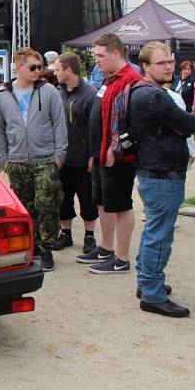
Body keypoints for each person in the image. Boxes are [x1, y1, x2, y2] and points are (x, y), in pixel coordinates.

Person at [127, 42, 195, 317]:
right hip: (161, 173)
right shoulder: (154, 96)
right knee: (160, 235)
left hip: (154, 170)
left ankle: (147, 284)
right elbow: (191, 125)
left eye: (170, 61)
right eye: (162, 63)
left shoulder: (142, 90)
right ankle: (153, 294)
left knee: (154, 232)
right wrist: (183, 124)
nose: (169, 66)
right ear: (145, 66)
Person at [0, 47, 67, 271]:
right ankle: (32, 245)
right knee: (25, 207)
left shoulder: (49, 92)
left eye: (40, 67)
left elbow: (59, 123)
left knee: (47, 204)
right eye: (33, 67)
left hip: (45, 159)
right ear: (18, 67)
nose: (37, 71)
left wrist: (59, 156)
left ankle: (47, 248)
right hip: (16, 162)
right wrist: (3, 158)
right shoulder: (1, 95)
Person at [76, 33, 143, 274]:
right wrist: (96, 152)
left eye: (100, 56)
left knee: (121, 205)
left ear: (116, 53)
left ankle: (122, 259)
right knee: (103, 203)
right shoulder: (109, 78)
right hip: (102, 153)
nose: (96, 61)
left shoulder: (131, 79)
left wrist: (114, 149)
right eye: (95, 56)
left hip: (119, 157)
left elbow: (130, 121)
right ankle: (106, 248)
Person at [53, 53, 99, 253]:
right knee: (63, 198)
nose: (54, 73)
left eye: (57, 69)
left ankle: (89, 237)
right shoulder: (58, 93)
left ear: (68, 70)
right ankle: (66, 234)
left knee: (87, 199)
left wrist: (92, 155)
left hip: (83, 158)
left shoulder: (90, 94)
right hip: (62, 158)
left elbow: (95, 126)